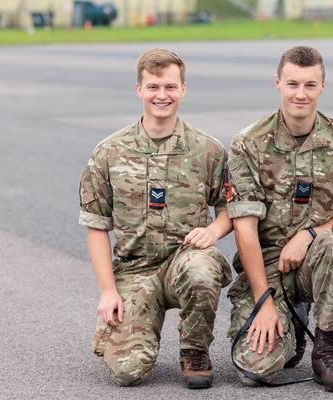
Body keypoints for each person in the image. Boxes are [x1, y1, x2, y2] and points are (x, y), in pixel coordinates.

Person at [78, 48, 232, 389]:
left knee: (203, 271)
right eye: (153, 87)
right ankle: (130, 325)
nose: (162, 95)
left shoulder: (208, 150)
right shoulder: (109, 153)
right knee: (127, 372)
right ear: (139, 89)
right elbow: (96, 225)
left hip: (184, 259)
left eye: (170, 87)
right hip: (135, 269)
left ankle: (195, 352)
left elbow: (228, 207)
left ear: (183, 89)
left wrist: (214, 229)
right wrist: (107, 292)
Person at [226, 46, 333, 392]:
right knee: (256, 369)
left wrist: (309, 233)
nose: (300, 94)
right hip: (267, 263)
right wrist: (263, 303)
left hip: (318, 259)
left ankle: (327, 351)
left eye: (310, 85)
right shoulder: (248, 143)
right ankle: (291, 320)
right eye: (293, 84)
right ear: (278, 83)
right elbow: (243, 229)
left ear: (323, 86)